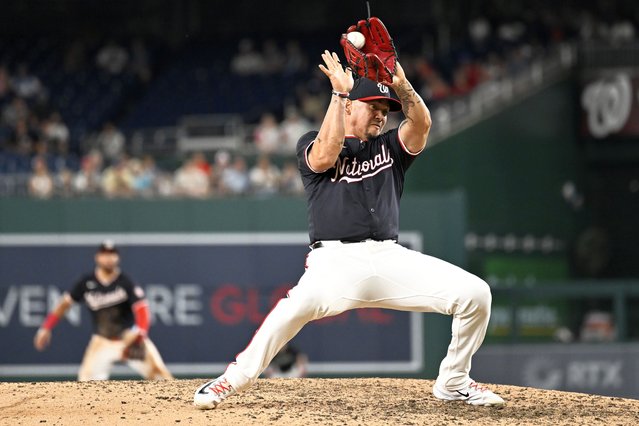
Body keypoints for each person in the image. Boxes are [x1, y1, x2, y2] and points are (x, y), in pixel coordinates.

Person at [194, 50, 504, 409]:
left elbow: (421, 125)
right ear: (347, 109)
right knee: (294, 309)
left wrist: (402, 85)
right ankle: (231, 380)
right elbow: (326, 155)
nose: (380, 114)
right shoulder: (311, 141)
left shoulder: (390, 147)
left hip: (389, 257)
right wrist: (339, 93)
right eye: (371, 106)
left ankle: (453, 381)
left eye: (384, 110)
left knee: (476, 294)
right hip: (335, 261)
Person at [34, 240, 173, 381]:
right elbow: (64, 304)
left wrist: (140, 335)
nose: (108, 258)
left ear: (117, 258)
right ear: (97, 257)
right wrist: (46, 327)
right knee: (85, 385)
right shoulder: (86, 283)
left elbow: (142, 309)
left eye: (112, 254)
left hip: (129, 338)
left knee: (161, 378)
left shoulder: (125, 282)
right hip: (102, 340)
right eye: (105, 254)